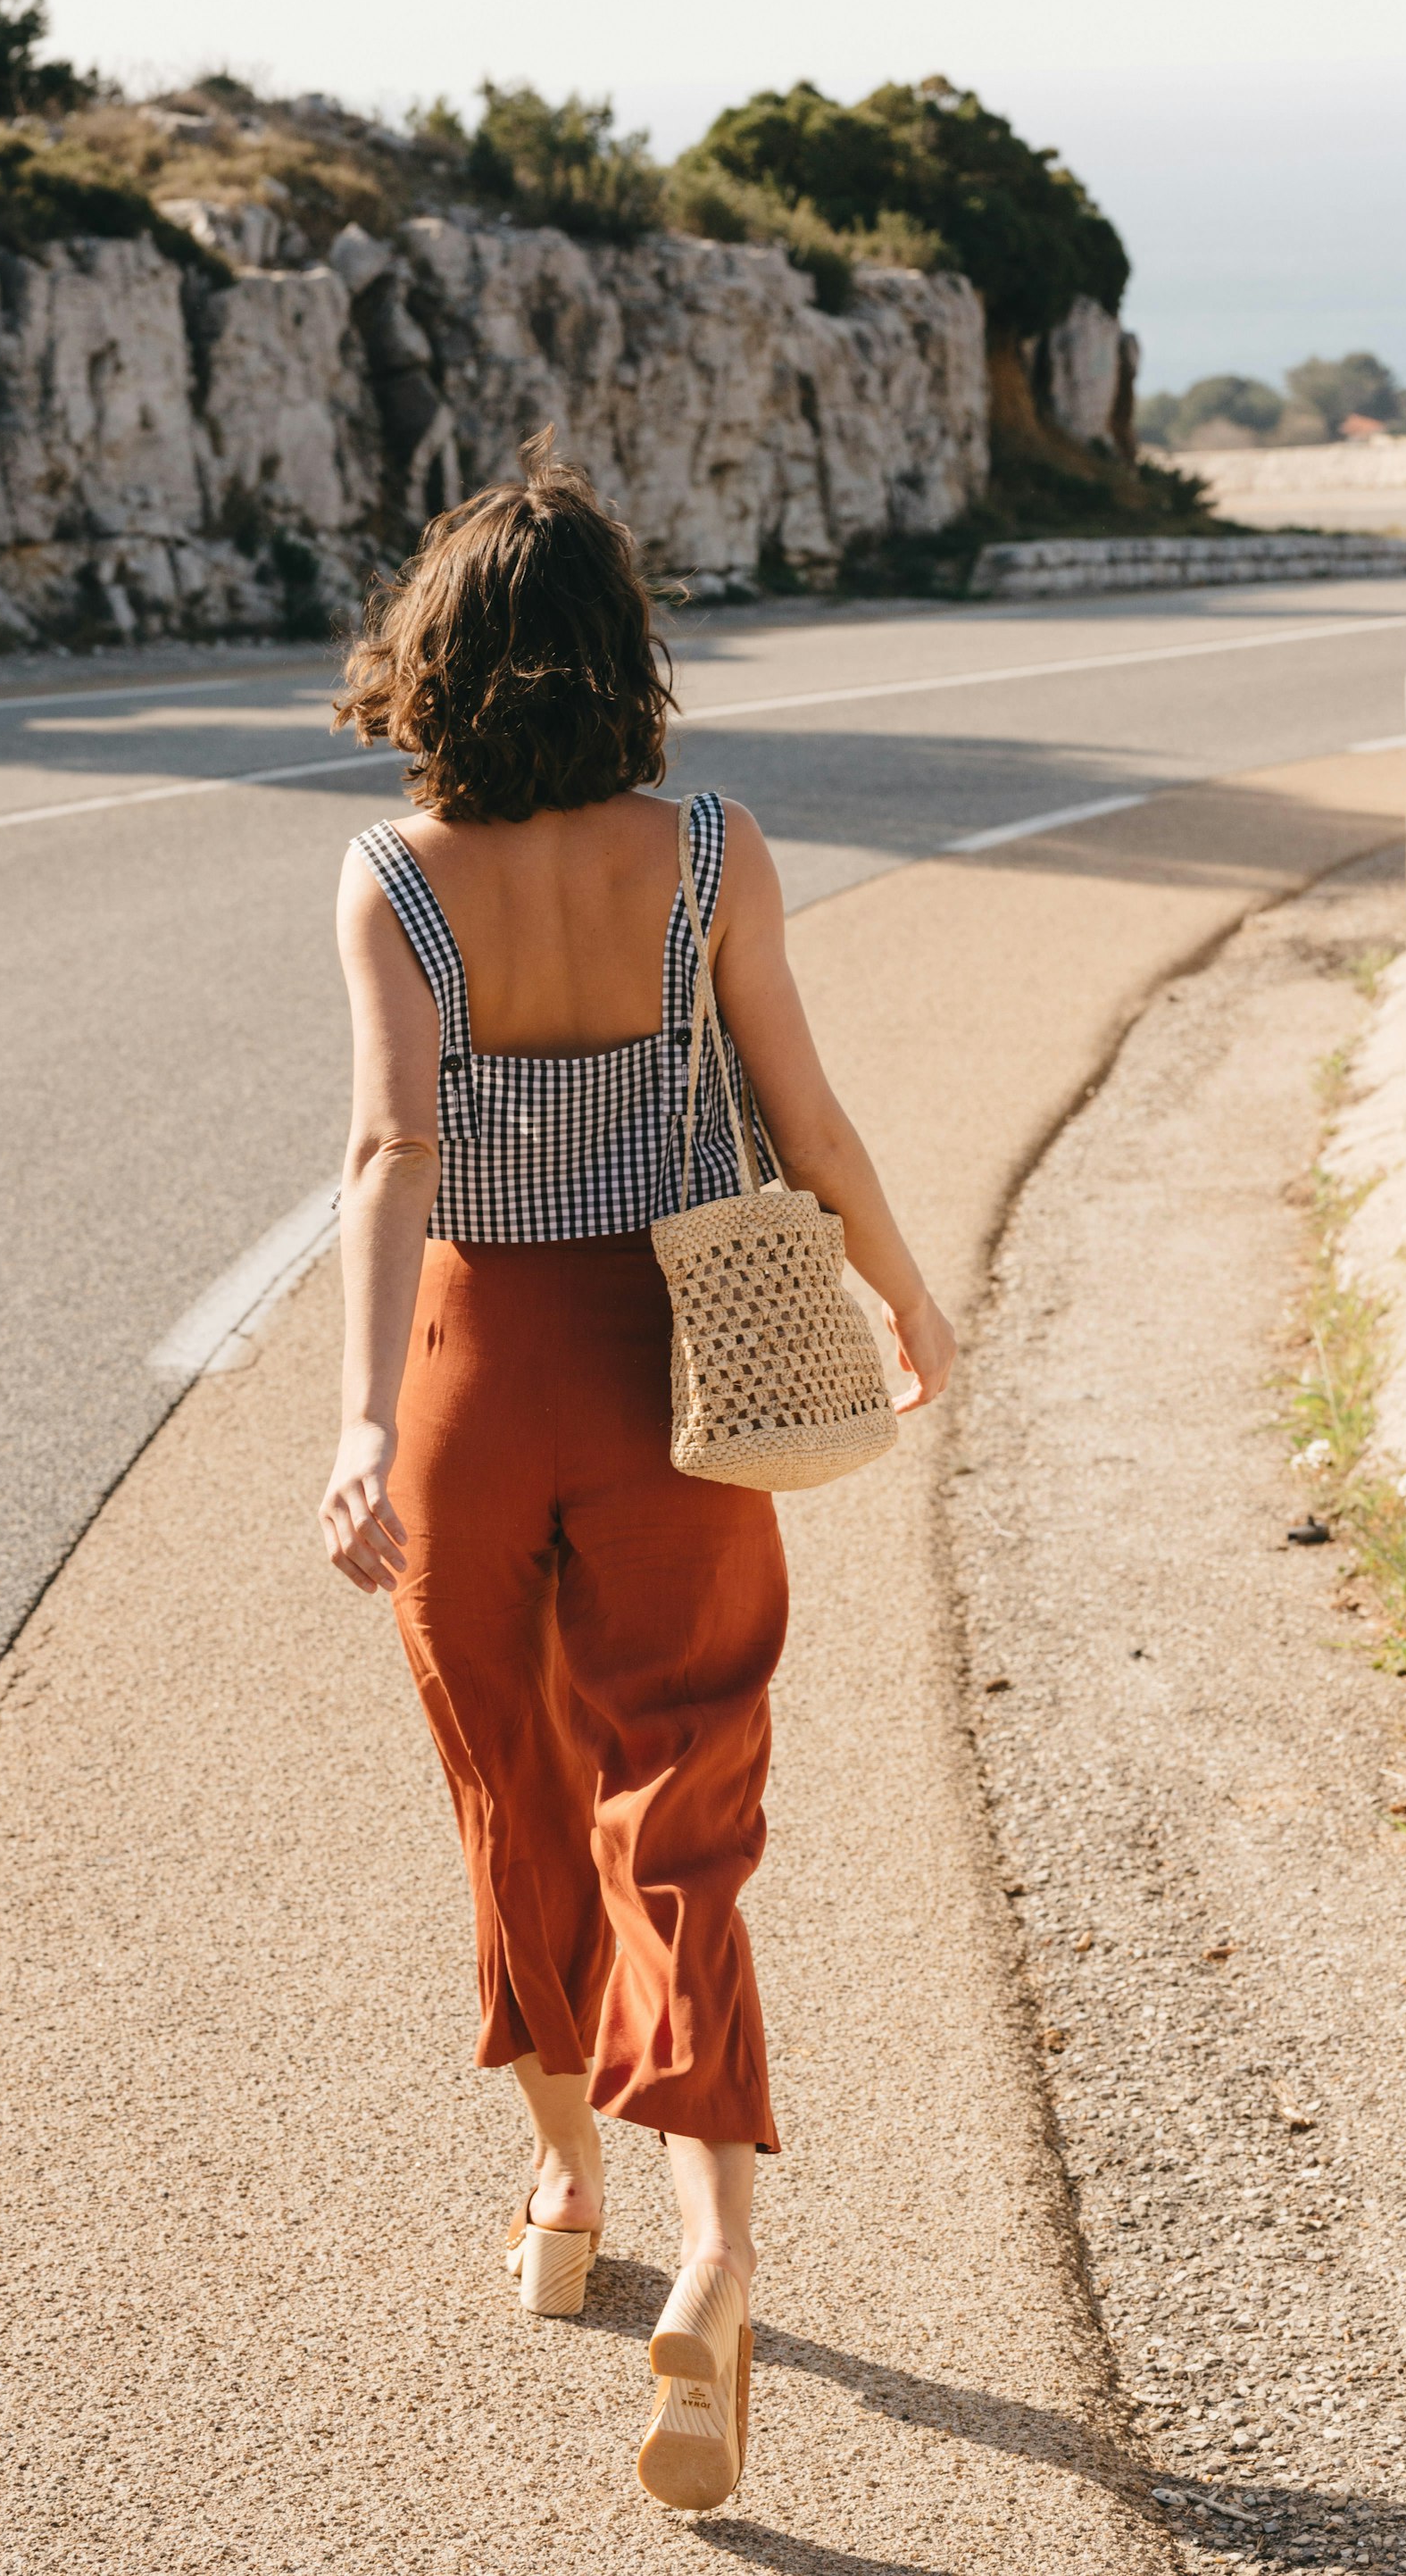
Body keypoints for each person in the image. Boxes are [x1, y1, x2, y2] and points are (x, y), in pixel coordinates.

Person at [319, 433, 955, 2512]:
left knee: (508, 1778)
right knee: (680, 1794)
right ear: (620, 656)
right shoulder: (709, 850)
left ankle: (561, 2193)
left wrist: (354, 1422)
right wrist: (904, 1291)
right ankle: (717, 2256)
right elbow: (814, 1110)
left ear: (435, 659)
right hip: (684, 1359)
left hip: (477, 1369)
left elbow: (388, 1154)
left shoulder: (394, 871)